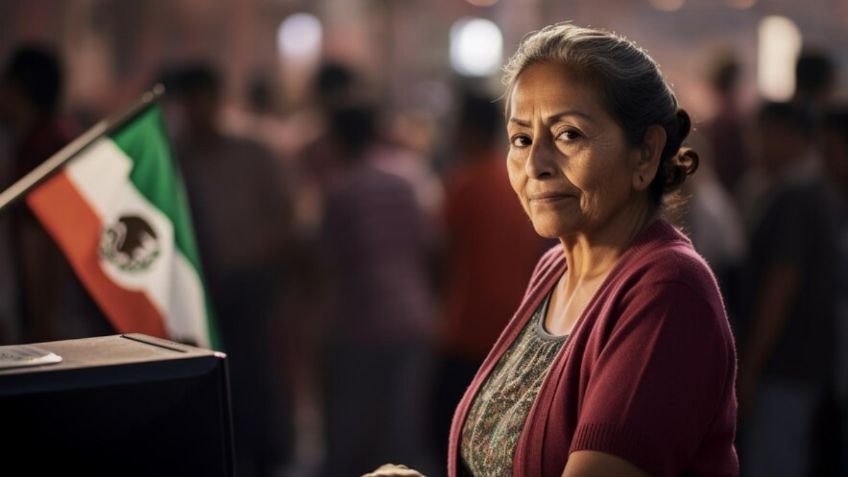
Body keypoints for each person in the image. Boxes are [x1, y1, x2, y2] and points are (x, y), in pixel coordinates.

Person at [369, 22, 738, 477]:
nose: (536, 166)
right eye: (521, 139)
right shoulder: (554, 269)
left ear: (645, 154)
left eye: (569, 135)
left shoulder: (667, 291)